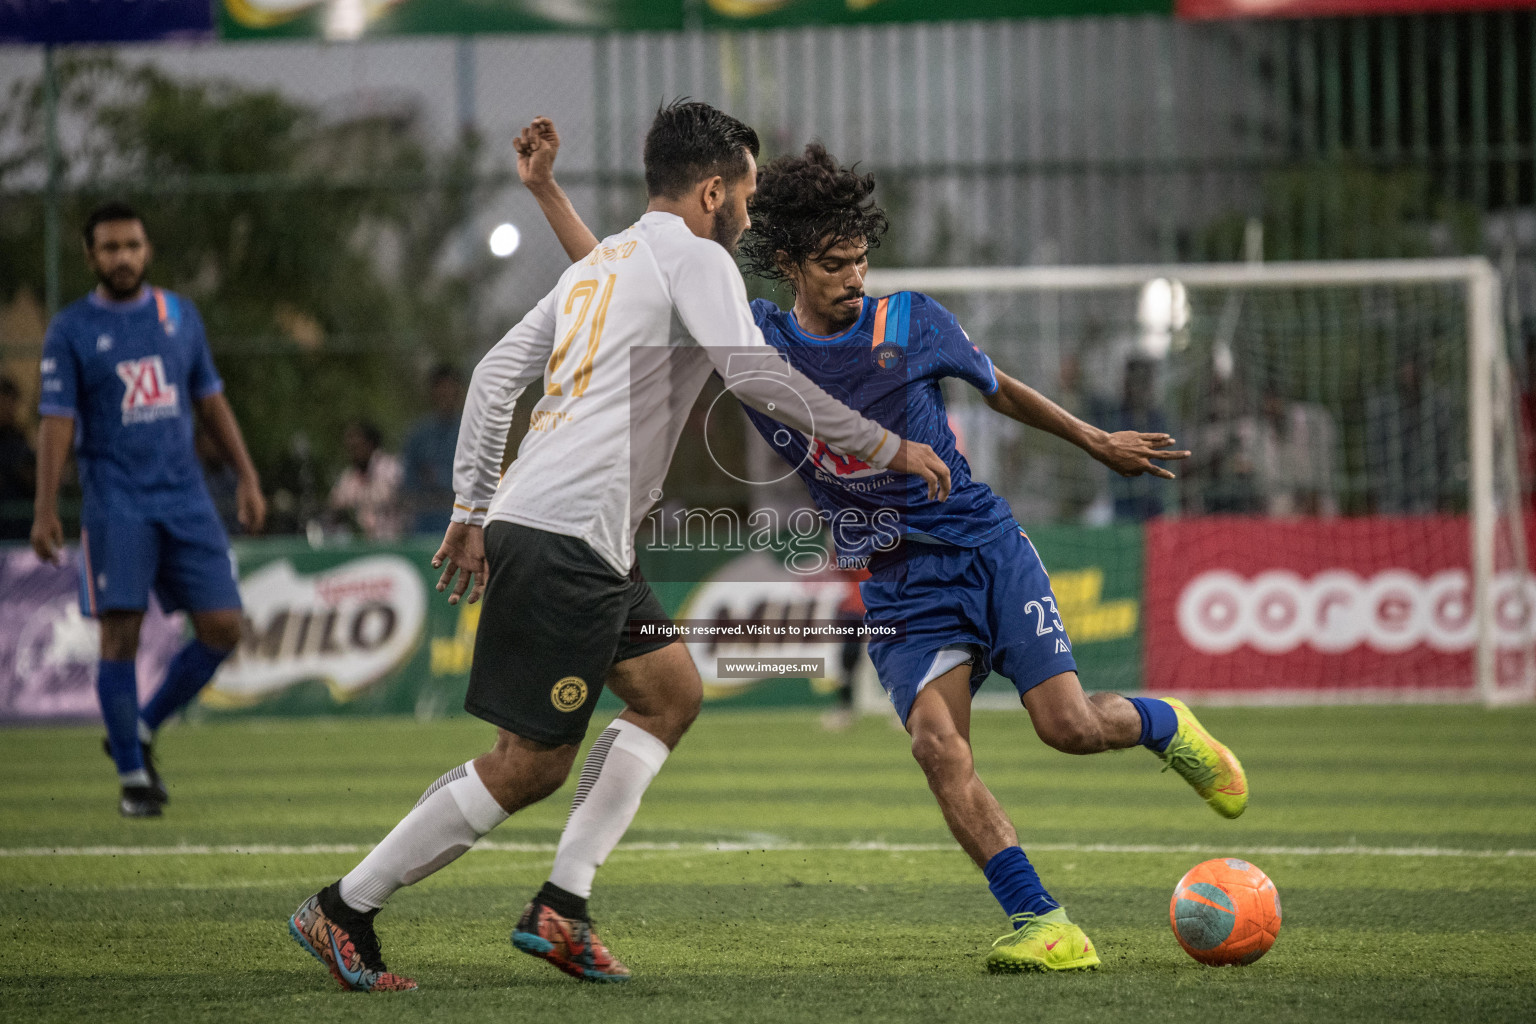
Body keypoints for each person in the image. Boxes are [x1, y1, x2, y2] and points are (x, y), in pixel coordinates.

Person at [524, 127, 1248, 974]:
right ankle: (1043, 921)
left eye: (861, 260)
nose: (854, 279)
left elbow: (1000, 388)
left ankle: (1168, 726)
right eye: (834, 264)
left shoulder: (911, 321)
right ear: (790, 262)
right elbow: (624, 292)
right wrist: (547, 194)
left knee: (1071, 727)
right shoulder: (753, 340)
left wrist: (1095, 440)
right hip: (896, 583)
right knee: (938, 748)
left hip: (981, 548)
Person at [286, 102, 949, 994]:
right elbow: (753, 373)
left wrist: (475, 505)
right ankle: (345, 908)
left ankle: (563, 904)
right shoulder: (697, 257)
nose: (750, 212)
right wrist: (886, 445)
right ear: (713, 190)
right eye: (746, 192)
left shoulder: (612, 262)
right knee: (529, 766)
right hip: (568, 533)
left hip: (575, 533)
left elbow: (491, 379)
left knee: (670, 693)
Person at [31, 202, 265, 818]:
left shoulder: (178, 313)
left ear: (147, 249)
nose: (123, 257)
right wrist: (46, 509)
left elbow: (211, 399)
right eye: (110, 248)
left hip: (187, 499)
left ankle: (138, 729)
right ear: (91, 257)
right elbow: (56, 423)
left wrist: (246, 476)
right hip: (116, 503)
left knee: (223, 627)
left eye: (132, 245)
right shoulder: (72, 329)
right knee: (120, 635)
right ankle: (135, 781)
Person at [401, 364, 464, 535]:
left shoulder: (470, 431)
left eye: (450, 388)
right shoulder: (418, 435)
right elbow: (408, 482)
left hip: (463, 518)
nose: (446, 393)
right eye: (440, 388)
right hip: (425, 522)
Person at [327, 419, 403, 541]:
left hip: (392, 541)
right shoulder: (348, 477)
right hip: (361, 545)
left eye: (357, 445)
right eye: (350, 447)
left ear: (370, 443)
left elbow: (398, 498)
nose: (353, 451)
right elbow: (335, 506)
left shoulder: (390, 467)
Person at [0, 376, 36, 540]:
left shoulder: (19, 442)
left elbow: (33, 481)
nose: (6, 408)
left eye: (9, 402)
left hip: (18, 532)